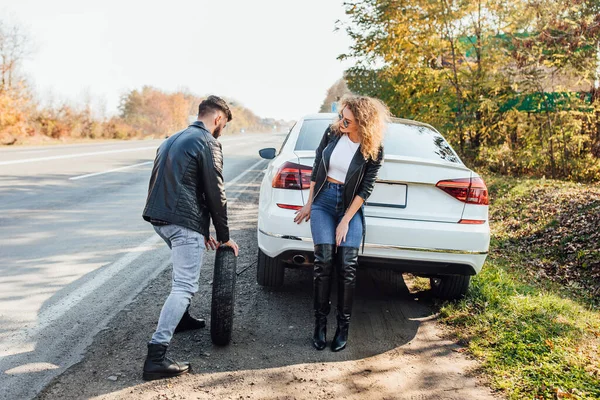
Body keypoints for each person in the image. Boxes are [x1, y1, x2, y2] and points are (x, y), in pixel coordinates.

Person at [141, 95, 239, 380]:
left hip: (159, 218)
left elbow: (178, 184)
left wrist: (199, 228)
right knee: (184, 285)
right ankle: (156, 356)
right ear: (218, 118)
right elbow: (215, 192)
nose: (222, 130)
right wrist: (224, 237)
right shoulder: (208, 142)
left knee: (181, 273)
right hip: (180, 222)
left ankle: (181, 320)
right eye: (224, 125)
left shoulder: (172, 139)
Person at [294, 95, 389, 352]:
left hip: (350, 208)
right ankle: (320, 325)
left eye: (347, 119)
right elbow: (317, 167)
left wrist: (346, 219)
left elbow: (365, 188)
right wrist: (309, 202)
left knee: (347, 265)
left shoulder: (374, 149)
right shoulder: (333, 133)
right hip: (323, 202)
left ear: (363, 121)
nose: (341, 122)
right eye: (340, 117)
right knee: (323, 261)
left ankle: (343, 327)